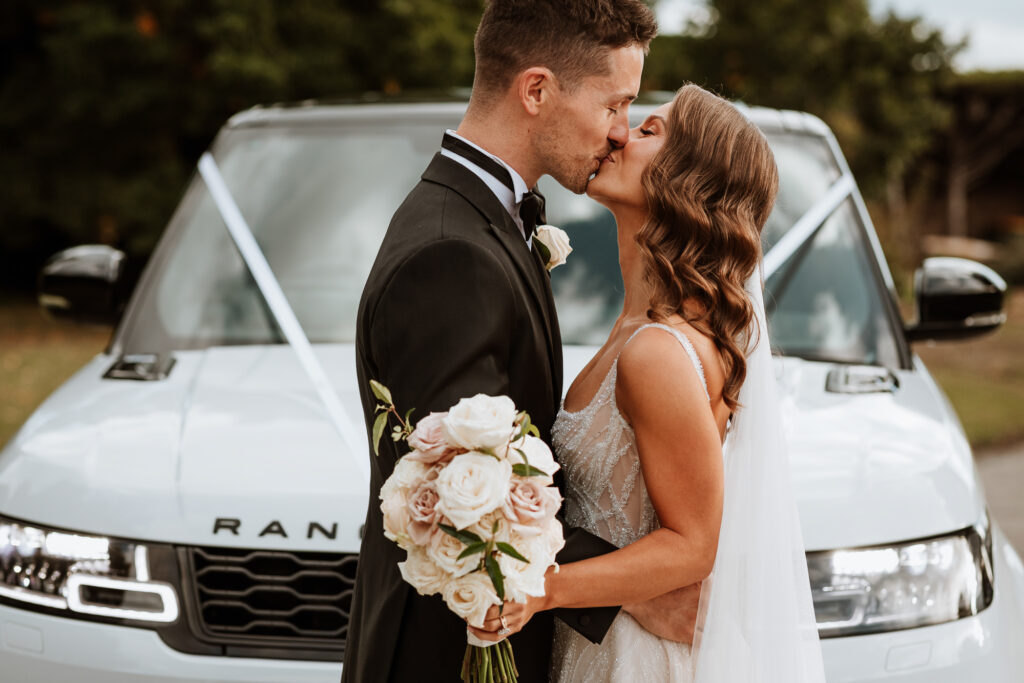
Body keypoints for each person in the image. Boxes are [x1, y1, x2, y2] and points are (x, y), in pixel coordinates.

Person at [343, 2, 690, 681]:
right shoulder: (450, 252)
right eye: (615, 105)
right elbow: (465, 498)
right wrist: (629, 590)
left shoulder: (480, 222)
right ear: (537, 90)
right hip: (448, 658)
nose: (620, 134)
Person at [469, 84, 827, 682]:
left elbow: (692, 544)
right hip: (607, 636)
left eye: (650, 131)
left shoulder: (657, 351)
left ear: (689, 182)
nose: (620, 133)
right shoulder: (637, 330)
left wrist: (541, 590)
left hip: (633, 660)